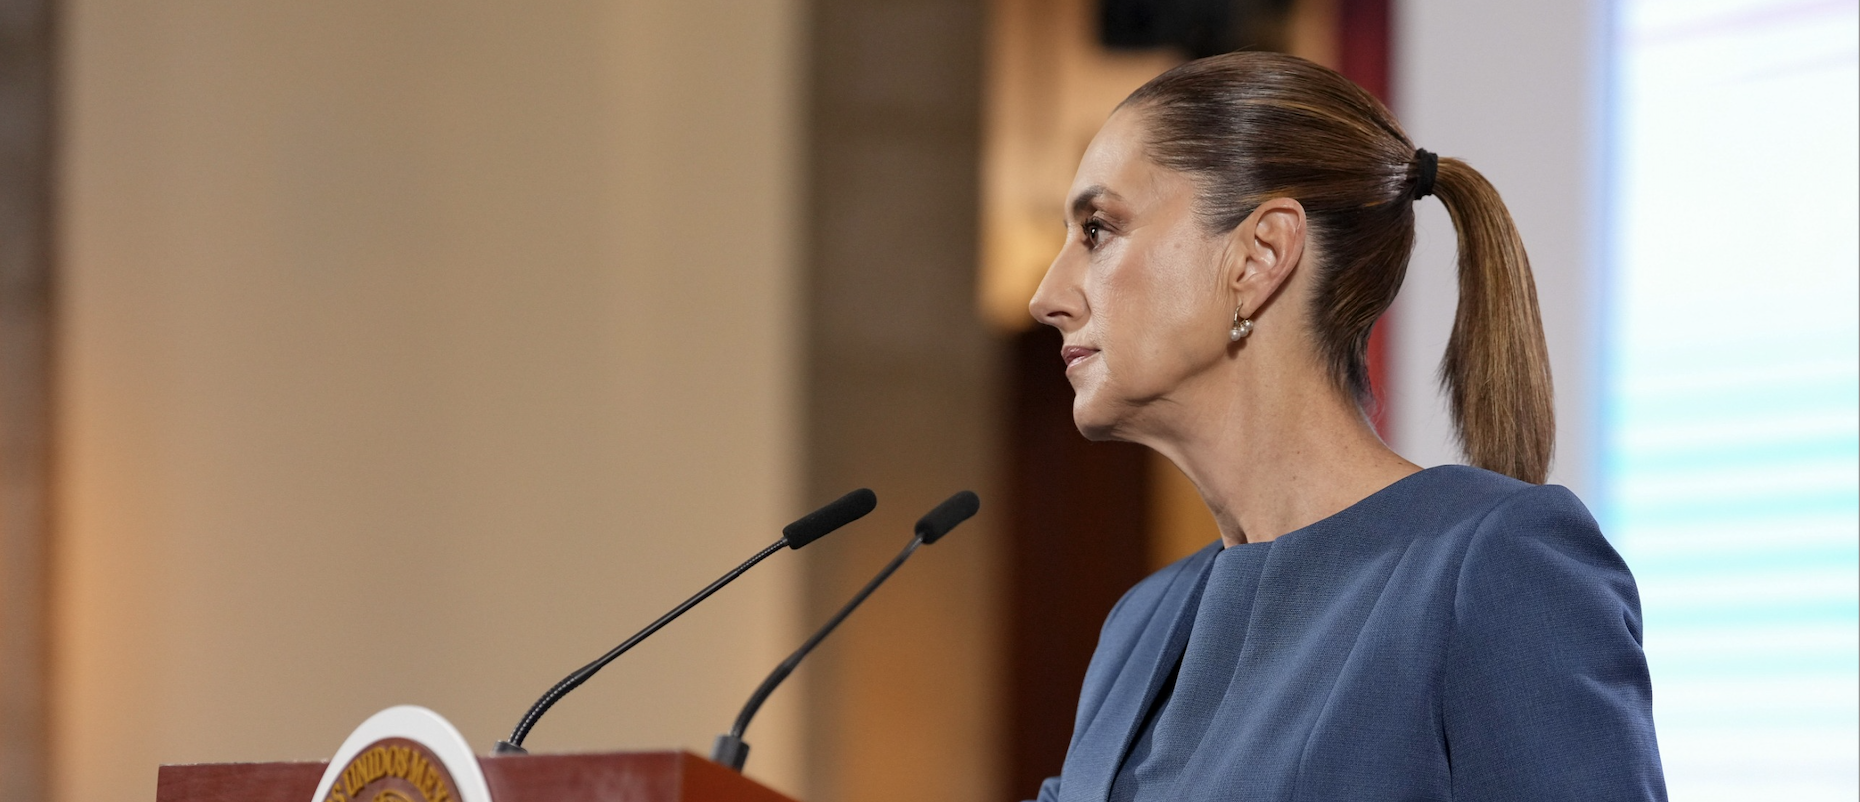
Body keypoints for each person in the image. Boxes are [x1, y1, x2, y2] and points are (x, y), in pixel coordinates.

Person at [1024, 52, 1666, 801]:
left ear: (1260, 255)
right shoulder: (1137, 629)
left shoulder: (1496, 565)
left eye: (1098, 230)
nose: (1046, 295)